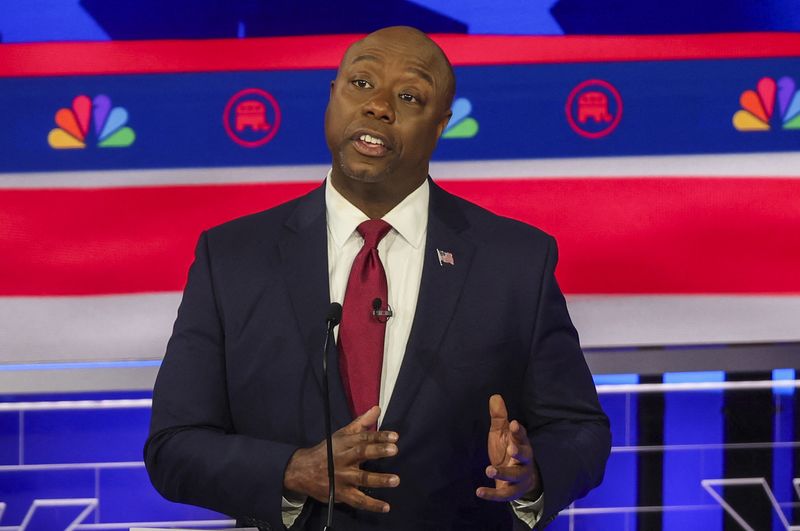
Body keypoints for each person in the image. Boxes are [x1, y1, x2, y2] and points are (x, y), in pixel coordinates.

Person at [145, 26, 610, 531]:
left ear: (440, 125)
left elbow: (578, 429)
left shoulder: (515, 260)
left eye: (409, 96)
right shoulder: (233, 257)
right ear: (332, 97)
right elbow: (175, 446)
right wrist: (292, 471)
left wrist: (532, 471)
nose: (378, 106)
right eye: (361, 83)